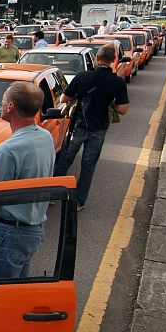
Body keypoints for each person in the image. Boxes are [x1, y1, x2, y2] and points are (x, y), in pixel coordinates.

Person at [0, 82, 55, 278]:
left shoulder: (9, 149)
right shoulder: (45, 137)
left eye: (3, 100)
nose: (1, 104)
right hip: (34, 230)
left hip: (11, 234)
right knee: (18, 288)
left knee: (0, 292)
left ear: (11, 107)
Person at [53, 44, 129, 211]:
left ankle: (53, 194)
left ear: (97, 58)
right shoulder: (117, 82)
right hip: (99, 129)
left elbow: (64, 99)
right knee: (88, 165)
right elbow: (123, 110)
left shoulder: (83, 76)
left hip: (78, 126)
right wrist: (111, 102)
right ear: (113, 60)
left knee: (65, 159)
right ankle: (79, 201)